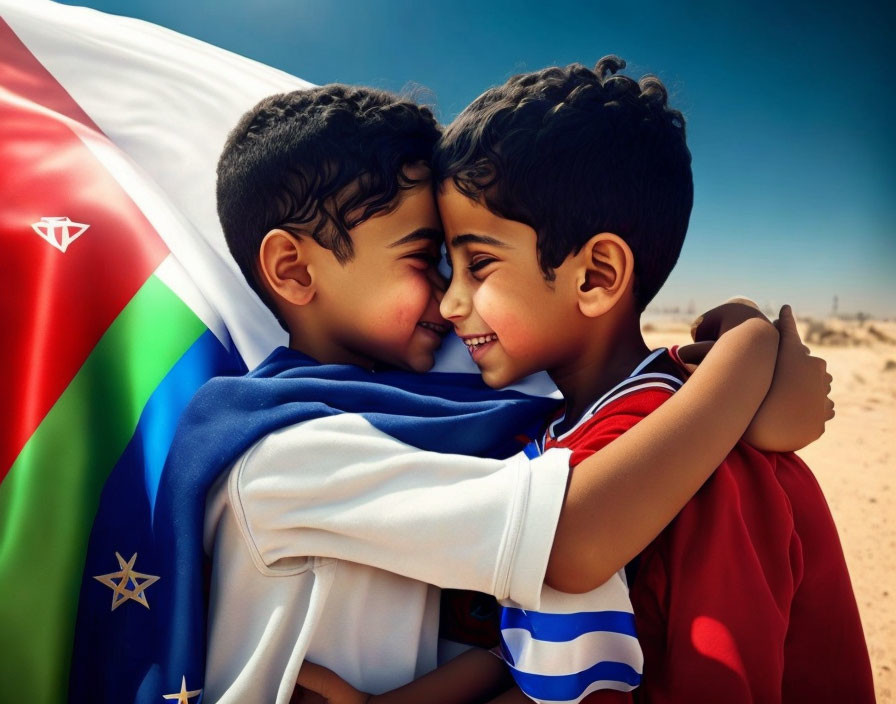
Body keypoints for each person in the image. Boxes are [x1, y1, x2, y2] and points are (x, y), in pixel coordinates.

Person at [194, 82, 819, 704]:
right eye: (424, 260)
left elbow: (523, 645)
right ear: (294, 270)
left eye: (471, 265)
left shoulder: (514, 424)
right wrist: (751, 343)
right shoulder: (292, 454)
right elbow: (570, 544)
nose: (449, 298)